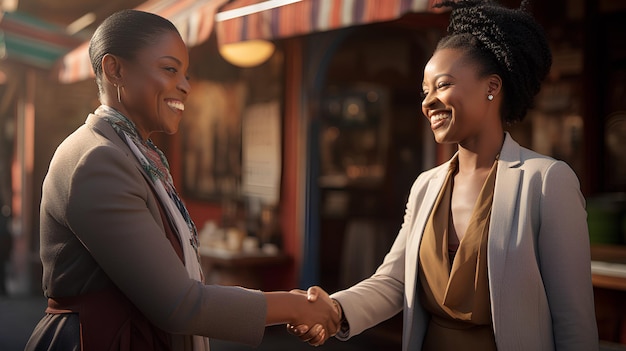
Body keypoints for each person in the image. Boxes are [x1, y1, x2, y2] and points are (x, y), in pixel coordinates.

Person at [289, 0, 599, 350]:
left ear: (492, 87)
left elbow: (574, 323)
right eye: (425, 91)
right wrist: (335, 308)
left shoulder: (546, 182)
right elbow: (394, 281)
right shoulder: (427, 186)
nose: (428, 102)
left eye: (443, 85)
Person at [25, 9, 338, 351]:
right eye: (170, 69)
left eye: (186, 74)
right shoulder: (98, 160)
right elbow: (180, 304)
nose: (186, 86)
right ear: (115, 69)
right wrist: (294, 306)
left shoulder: (134, 153)